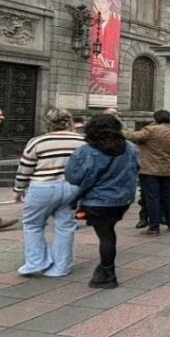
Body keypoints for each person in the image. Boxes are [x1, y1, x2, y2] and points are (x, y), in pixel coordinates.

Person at [65, 114, 140, 289]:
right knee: (108, 232)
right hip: (122, 199)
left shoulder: (86, 151)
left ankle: (108, 273)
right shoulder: (130, 147)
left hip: (97, 200)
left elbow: (73, 176)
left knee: (105, 235)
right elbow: (136, 168)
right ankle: (105, 269)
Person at [13, 108, 86, 277]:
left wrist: (18, 189)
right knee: (65, 226)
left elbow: (25, 168)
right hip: (71, 187)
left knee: (33, 224)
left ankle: (36, 261)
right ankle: (61, 266)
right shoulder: (81, 141)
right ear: (69, 122)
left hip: (42, 187)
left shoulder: (37, 142)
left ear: (47, 123)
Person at [125, 110, 170, 236]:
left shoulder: (150, 130)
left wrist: (115, 130)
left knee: (152, 198)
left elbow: (131, 136)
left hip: (150, 170)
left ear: (156, 119)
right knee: (168, 197)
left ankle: (154, 226)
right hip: (168, 170)